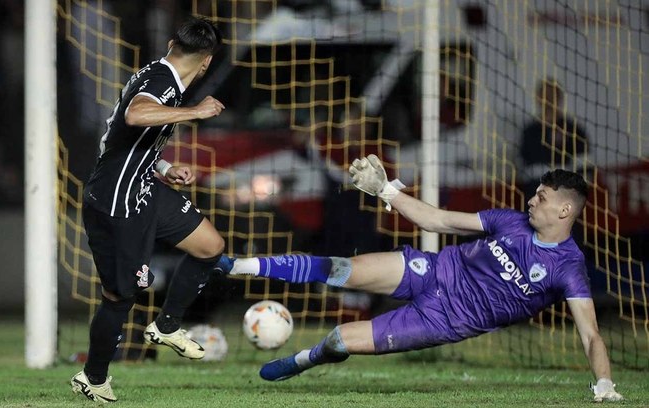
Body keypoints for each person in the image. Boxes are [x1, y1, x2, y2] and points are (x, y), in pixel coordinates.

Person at [220, 154, 623, 403]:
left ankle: (303, 360)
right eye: (535, 193)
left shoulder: (568, 267)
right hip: (432, 270)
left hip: (442, 321)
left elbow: (590, 334)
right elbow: (440, 219)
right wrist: (386, 191)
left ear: (565, 211)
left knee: (339, 339)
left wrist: (603, 383)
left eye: (542, 198)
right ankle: (238, 266)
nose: (532, 200)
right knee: (341, 269)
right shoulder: (511, 221)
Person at [70, 17, 227, 403]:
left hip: (143, 187)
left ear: (173, 42)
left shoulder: (156, 73)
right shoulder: (162, 82)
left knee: (210, 246)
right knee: (119, 298)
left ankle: (167, 326)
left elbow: (122, 137)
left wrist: (164, 167)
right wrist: (196, 111)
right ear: (206, 63)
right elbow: (135, 116)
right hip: (116, 202)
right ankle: (93, 377)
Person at [520, 78, 589, 200]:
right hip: (537, 200)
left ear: (560, 98)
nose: (548, 100)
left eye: (552, 95)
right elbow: (525, 168)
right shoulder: (530, 132)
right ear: (538, 98)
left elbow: (585, 170)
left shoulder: (573, 131)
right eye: (545, 95)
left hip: (566, 201)